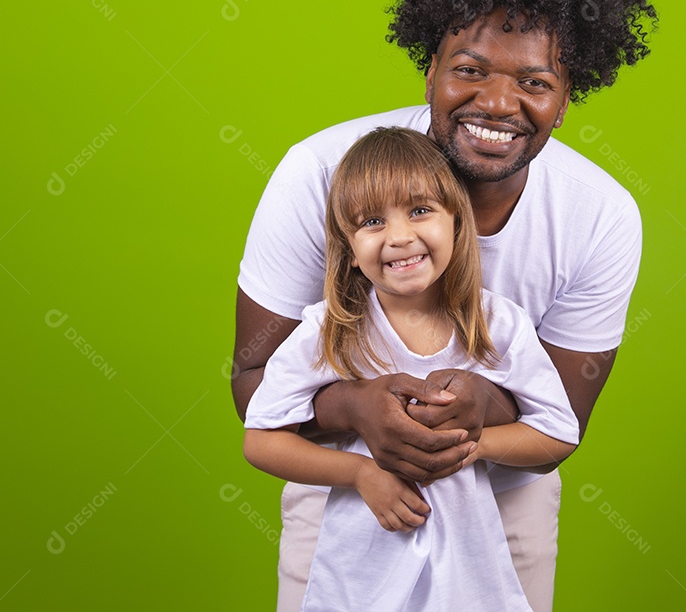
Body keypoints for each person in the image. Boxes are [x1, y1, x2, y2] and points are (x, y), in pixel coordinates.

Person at [231, 0, 656, 610]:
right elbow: (253, 383)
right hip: (345, 491)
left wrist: (478, 409)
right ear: (429, 66)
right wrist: (359, 410)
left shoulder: (600, 215)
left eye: (535, 82)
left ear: (568, 94)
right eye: (470, 68)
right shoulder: (321, 172)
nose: (497, 103)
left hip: (503, 503)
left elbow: (560, 420)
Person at [244, 128, 580, 612]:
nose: (399, 237)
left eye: (420, 210)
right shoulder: (328, 331)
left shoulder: (498, 325)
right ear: (349, 247)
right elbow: (261, 439)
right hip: (358, 578)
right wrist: (361, 474)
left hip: (469, 575)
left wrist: (467, 447)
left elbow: (557, 433)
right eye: (372, 221)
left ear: (456, 222)